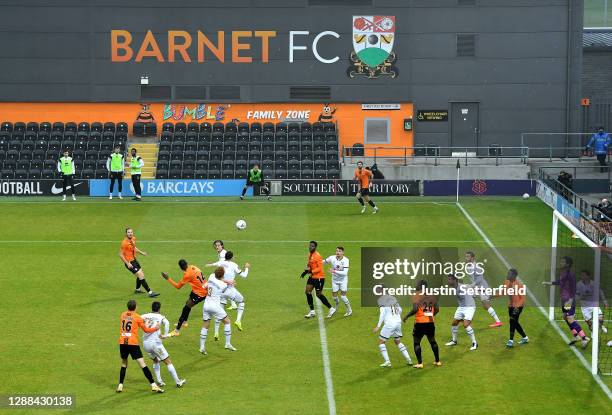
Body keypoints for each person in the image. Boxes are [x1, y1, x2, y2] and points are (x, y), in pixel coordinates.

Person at [117, 299, 164, 393]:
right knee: (143, 364)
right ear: (135, 307)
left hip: (122, 342)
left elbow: (129, 320)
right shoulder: (138, 317)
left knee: (124, 363)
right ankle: (153, 385)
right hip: (132, 343)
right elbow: (146, 330)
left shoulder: (122, 314)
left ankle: (120, 385)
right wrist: (156, 328)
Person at [542, 256, 590, 349]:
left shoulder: (570, 274)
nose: (561, 263)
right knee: (565, 317)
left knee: (570, 318)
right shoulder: (563, 273)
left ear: (568, 264)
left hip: (569, 299)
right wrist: (548, 283)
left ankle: (584, 338)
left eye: (563, 262)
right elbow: (560, 282)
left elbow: (574, 287)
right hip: (564, 299)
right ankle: (576, 336)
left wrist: (571, 299)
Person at [141, 301, 186, 388]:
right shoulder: (160, 317)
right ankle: (178, 382)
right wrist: (165, 335)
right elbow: (167, 323)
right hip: (155, 344)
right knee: (168, 361)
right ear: (159, 309)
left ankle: (159, 381)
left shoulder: (145, 316)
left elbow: (137, 319)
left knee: (155, 360)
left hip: (145, 344)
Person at [205, 251, 250, 336]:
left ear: (225, 257)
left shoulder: (221, 262)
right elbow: (244, 275)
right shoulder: (234, 265)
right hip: (229, 289)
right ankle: (238, 320)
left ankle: (216, 332)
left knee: (220, 310)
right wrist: (247, 267)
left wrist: (209, 265)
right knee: (241, 301)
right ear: (232, 257)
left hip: (219, 291)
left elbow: (215, 264)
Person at [161, 259, 207, 337]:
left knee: (186, 308)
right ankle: (184, 322)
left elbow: (178, 286)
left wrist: (168, 278)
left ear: (181, 267)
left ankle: (177, 330)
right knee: (187, 303)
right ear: (187, 264)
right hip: (200, 289)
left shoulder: (187, 275)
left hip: (201, 293)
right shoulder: (193, 267)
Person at [403, 280, 441, 368]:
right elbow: (437, 309)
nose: (416, 286)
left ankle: (420, 363)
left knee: (416, 342)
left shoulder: (417, 295)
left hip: (420, 323)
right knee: (432, 341)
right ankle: (437, 361)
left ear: (421, 286)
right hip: (430, 322)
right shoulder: (431, 296)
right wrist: (431, 314)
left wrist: (407, 316)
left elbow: (415, 309)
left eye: (418, 284)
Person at [200, 267, 237, 354]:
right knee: (227, 322)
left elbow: (207, 285)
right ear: (223, 275)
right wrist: (231, 284)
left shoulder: (211, 276)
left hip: (206, 304)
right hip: (215, 306)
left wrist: (227, 282)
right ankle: (227, 343)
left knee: (206, 324)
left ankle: (202, 346)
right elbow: (225, 291)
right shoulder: (223, 285)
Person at [373, 296, 413, 367]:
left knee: (381, 342)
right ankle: (409, 360)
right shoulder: (393, 299)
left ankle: (387, 361)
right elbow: (400, 310)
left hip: (390, 324)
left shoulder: (381, 300)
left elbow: (382, 314)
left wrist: (378, 326)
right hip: (398, 323)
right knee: (397, 341)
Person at [464, 251, 502, 327]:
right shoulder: (469, 265)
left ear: (472, 258)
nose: (466, 258)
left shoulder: (476, 266)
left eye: (468, 256)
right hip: (477, 287)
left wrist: (472, 285)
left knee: (485, 304)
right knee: (481, 304)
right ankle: (466, 319)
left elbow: (480, 278)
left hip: (481, 287)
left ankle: (498, 322)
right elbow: (473, 278)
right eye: (466, 256)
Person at [119, 227, 159, 298]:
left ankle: (137, 289)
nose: (130, 233)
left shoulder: (133, 238)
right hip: (130, 263)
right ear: (126, 234)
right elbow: (120, 254)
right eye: (128, 232)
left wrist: (142, 253)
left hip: (134, 260)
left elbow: (134, 248)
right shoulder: (124, 243)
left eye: (131, 232)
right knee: (141, 276)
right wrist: (127, 263)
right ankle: (150, 292)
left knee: (141, 275)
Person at [445, 274, 478, 351]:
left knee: (466, 324)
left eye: (450, 279)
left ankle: (474, 343)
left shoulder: (462, 286)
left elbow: (471, 287)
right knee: (454, 323)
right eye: (448, 279)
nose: (448, 281)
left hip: (469, 306)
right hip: (461, 307)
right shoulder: (454, 287)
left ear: (455, 280)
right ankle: (454, 341)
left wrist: (476, 293)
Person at [301, 241, 333, 319]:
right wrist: (305, 272)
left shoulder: (318, 256)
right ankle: (312, 311)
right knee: (307, 292)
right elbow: (309, 264)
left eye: (312, 246)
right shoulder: (310, 254)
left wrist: (311, 271)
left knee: (318, 294)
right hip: (312, 277)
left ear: (315, 247)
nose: (310, 247)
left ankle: (331, 308)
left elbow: (320, 268)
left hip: (319, 277)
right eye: (309, 246)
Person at [501, 269, 529, 347]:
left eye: (509, 274)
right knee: (514, 322)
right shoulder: (507, 282)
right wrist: (492, 296)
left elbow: (523, 299)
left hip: (518, 306)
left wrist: (517, 307)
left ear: (514, 276)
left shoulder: (519, 285)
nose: (507, 275)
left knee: (512, 320)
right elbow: (502, 292)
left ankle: (510, 340)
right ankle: (525, 337)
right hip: (511, 306)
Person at [576, 270, 608, 334]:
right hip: (584, 307)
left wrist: (604, 301)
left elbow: (600, 292)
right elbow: (577, 294)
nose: (582, 277)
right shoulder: (579, 284)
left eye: (584, 275)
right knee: (590, 324)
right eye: (581, 275)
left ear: (588, 276)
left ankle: (600, 326)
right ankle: (593, 333)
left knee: (601, 319)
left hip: (594, 305)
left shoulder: (593, 283)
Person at [323, 247, 352, 318]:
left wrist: (334, 271)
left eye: (339, 251)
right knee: (334, 296)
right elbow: (323, 261)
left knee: (343, 296)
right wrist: (315, 261)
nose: (338, 252)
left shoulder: (346, 260)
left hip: (343, 280)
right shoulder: (332, 258)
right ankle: (336, 307)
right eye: (337, 251)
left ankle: (349, 310)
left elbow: (345, 273)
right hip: (335, 280)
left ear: (343, 253)